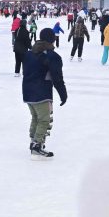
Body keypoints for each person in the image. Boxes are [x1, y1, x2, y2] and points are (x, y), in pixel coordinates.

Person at [21, 27, 67, 159]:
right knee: (44, 119)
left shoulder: (29, 53)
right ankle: (37, 146)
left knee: (36, 117)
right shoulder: (52, 56)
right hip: (41, 93)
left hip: (27, 91)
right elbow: (57, 78)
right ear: (52, 40)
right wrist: (63, 94)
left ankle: (33, 142)